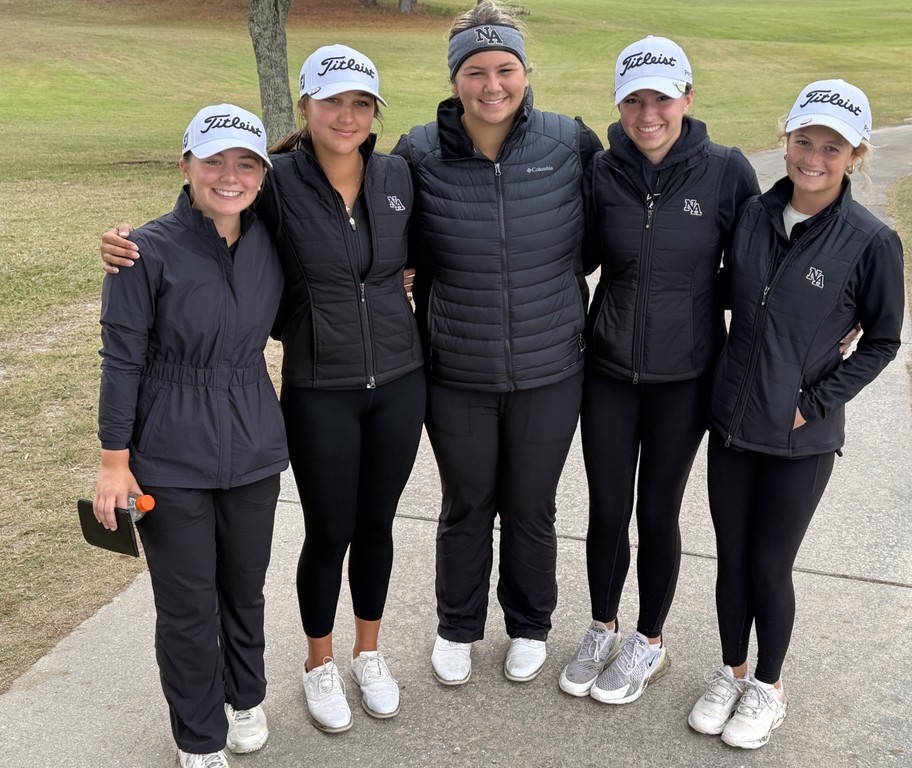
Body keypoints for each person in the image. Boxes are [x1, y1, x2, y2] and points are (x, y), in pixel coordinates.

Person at [100, 45, 425, 730]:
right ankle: (319, 664)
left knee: (371, 529)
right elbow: (212, 203)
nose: (347, 115)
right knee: (328, 530)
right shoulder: (277, 181)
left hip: (396, 380)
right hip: (317, 386)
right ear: (305, 107)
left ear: (374, 113)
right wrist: (132, 246)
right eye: (332, 101)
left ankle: (364, 653)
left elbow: (420, 250)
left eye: (361, 103)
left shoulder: (398, 174)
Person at [686, 79, 905, 749]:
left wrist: (814, 402)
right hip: (731, 424)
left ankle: (768, 687)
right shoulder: (753, 214)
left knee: (768, 565)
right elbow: (723, 289)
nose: (813, 157)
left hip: (800, 437)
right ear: (787, 140)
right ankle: (731, 672)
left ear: (855, 154)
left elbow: (885, 339)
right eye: (803, 140)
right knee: (730, 560)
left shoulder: (871, 241)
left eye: (831, 147)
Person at [392, 0, 601, 686]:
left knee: (532, 504)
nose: (491, 86)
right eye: (475, 71)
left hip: (551, 366)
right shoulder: (419, 152)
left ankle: (530, 622)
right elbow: (378, 229)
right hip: (457, 367)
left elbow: (605, 237)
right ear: (454, 79)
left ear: (525, 71)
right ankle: (457, 626)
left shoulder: (570, 142)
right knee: (466, 502)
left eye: (505, 69)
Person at [556, 36, 760, 705]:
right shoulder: (601, 171)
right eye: (635, 99)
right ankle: (601, 626)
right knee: (607, 508)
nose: (649, 114)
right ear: (619, 102)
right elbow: (574, 258)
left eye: (663, 99)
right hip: (609, 370)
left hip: (687, 376)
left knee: (657, 510)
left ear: (688, 99)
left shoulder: (727, 171)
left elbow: (757, 270)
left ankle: (649, 640)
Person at [94, 104, 285, 768]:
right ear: (186, 166)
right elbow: (121, 360)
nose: (228, 176)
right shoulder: (143, 251)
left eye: (245, 163)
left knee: (245, 586)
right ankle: (198, 736)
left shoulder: (271, 241)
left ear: (262, 174)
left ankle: (245, 696)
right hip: (169, 456)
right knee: (186, 605)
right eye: (213, 161)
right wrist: (113, 463)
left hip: (254, 445)